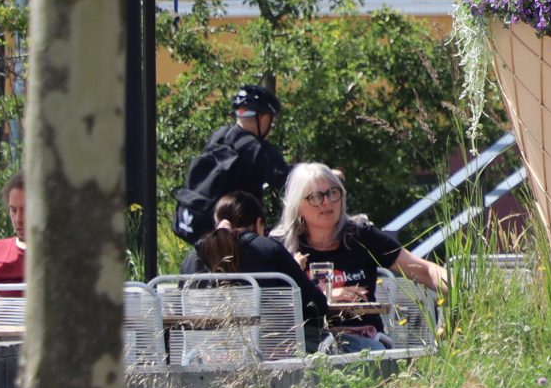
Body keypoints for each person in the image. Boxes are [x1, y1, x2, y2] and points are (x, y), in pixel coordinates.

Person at [278, 161, 447, 346]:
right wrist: (326, 296)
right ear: (297, 205)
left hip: (364, 339)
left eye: (333, 193)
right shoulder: (282, 248)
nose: (327, 202)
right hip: (308, 342)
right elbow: (272, 305)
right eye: (316, 197)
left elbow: (424, 270)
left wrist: (463, 290)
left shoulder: (362, 237)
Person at [172, 84, 291, 245]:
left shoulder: (219, 136)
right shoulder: (259, 150)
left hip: (203, 232)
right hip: (238, 241)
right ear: (264, 118)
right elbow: (290, 182)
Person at [182, 189, 318, 315]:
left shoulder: (193, 257)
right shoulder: (268, 249)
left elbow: (179, 313)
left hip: (204, 341)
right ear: (258, 223)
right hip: (265, 341)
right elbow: (317, 307)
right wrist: (294, 272)